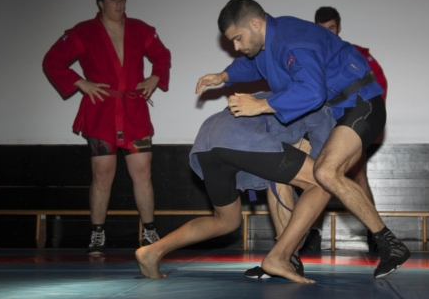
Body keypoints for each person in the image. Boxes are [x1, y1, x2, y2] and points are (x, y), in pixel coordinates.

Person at [192, 0, 410, 279]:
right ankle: (286, 257)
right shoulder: (266, 45)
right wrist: (224, 75)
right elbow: (252, 65)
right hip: (327, 113)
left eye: (238, 38)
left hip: (359, 103)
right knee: (279, 178)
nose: (236, 46)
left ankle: (390, 244)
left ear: (256, 23)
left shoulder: (293, 39)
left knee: (326, 173)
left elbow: (312, 91)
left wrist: (260, 105)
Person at [134, 96, 334, 283]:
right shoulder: (320, 108)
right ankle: (280, 258)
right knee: (322, 183)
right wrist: (292, 240)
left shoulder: (284, 95)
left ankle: (152, 251)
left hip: (208, 139)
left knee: (226, 220)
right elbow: (322, 169)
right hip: (238, 137)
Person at [42, 0, 171, 255]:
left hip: (133, 111)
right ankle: (97, 233)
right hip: (101, 111)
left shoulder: (140, 29)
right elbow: (52, 60)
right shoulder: (83, 32)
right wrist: (80, 82)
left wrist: (155, 77)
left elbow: (162, 55)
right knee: (102, 174)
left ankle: (150, 231)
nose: (119, 4)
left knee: (143, 172)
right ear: (101, 3)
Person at [299, 6, 388, 252]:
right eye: (322, 29)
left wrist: (364, 128)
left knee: (358, 176)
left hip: (352, 124)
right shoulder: (311, 57)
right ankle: (313, 234)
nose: (327, 33)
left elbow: (378, 89)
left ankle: (376, 235)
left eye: (331, 28)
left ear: (338, 28)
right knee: (317, 176)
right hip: (322, 127)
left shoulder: (355, 53)